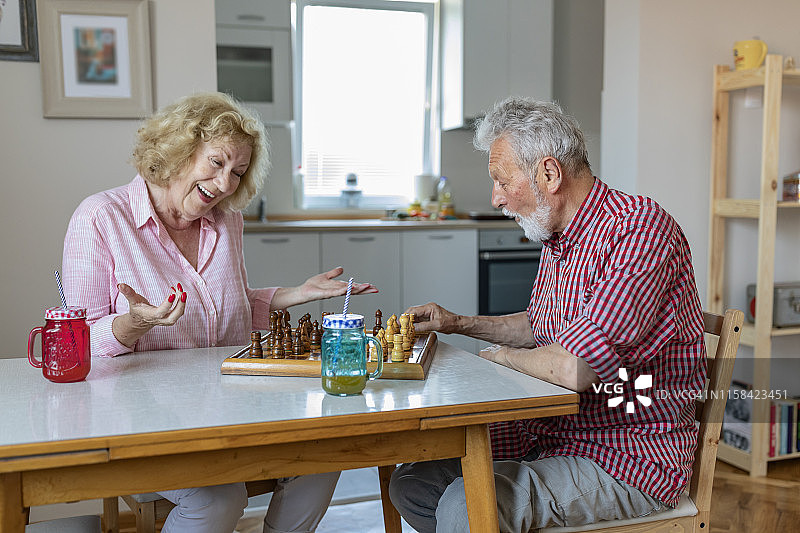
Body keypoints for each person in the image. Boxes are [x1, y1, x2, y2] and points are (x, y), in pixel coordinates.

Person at [62, 92, 377, 533]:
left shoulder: (225, 221)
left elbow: (230, 305)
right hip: (142, 418)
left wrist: (297, 294)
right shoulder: (100, 218)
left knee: (326, 454)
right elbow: (76, 343)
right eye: (216, 162)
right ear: (178, 149)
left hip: (228, 405)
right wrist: (134, 323)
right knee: (218, 499)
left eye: (239, 172)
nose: (227, 184)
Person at [389, 97, 707, 532]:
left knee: (465, 506)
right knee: (412, 481)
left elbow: (575, 366)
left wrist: (501, 357)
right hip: (554, 433)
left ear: (550, 174)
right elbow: (540, 326)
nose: (496, 198)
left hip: (626, 454)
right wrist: (456, 322)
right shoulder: (559, 238)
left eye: (502, 181)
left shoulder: (640, 229)